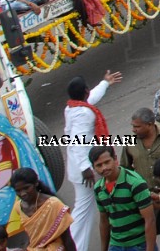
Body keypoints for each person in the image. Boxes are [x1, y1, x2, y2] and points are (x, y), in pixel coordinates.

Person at [64, 71, 123, 251]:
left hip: (81, 168)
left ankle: (74, 246)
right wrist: (85, 167)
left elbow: (91, 99)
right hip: (86, 171)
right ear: (85, 92)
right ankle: (72, 246)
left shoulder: (72, 108)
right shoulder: (84, 114)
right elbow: (78, 141)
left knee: (85, 210)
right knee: (84, 211)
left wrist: (105, 83)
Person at [91, 145, 157, 251]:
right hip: (115, 245)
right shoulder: (98, 188)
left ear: (115, 159)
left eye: (107, 162)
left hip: (139, 245)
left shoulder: (135, 183)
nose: (104, 168)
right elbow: (104, 221)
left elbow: (150, 220)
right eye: (99, 165)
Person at [9, 167, 76, 251]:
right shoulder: (18, 207)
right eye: (18, 191)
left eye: (26, 188)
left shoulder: (54, 204)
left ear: (36, 184)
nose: (22, 193)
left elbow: (67, 238)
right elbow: (32, 237)